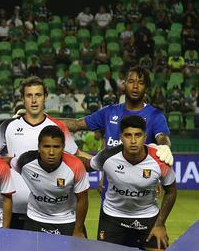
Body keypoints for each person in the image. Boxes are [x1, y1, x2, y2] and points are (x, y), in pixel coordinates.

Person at [0, 76, 85, 230]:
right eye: (29, 95)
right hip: (13, 208)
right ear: (22, 98)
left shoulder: (58, 126)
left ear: (45, 97)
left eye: (38, 95)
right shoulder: (9, 126)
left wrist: (104, 161)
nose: (34, 100)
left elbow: (76, 156)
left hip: (50, 212)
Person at [62, 66, 173, 194]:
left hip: (142, 192)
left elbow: (163, 138)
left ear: (146, 88)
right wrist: (45, 120)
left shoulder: (155, 116)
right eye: (131, 82)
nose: (135, 86)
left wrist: (165, 146)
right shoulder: (109, 112)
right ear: (124, 85)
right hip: (110, 194)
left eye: (140, 83)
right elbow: (76, 125)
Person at [87, 115, 177, 251]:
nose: (133, 141)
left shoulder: (160, 160)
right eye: (128, 135)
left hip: (147, 218)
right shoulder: (107, 156)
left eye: (138, 135)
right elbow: (86, 165)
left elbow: (171, 191)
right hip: (113, 217)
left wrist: (160, 224)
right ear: (121, 137)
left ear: (145, 137)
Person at [11, 126, 89, 237]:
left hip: (67, 220)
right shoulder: (25, 161)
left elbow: (83, 199)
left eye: (56, 147)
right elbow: (6, 162)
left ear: (63, 147)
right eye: (46, 146)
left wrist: (78, 230)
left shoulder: (75, 166)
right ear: (39, 147)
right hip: (35, 219)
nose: (51, 152)